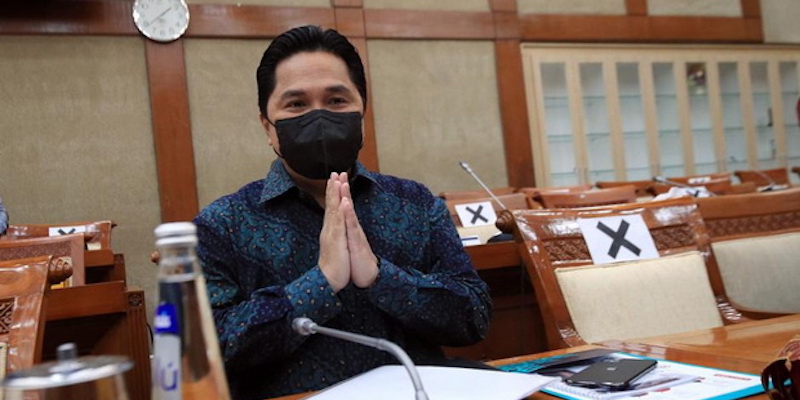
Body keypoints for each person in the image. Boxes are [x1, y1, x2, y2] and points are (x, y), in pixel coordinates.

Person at [194, 25, 492, 400]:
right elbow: (207, 350)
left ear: (362, 113)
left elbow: (474, 318)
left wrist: (380, 277)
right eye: (296, 104)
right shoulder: (222, 225)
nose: (319, 117)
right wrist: (321, 282)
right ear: (267, 127)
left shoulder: (416, 204)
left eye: (336, 101)